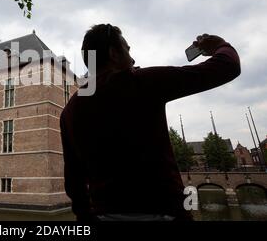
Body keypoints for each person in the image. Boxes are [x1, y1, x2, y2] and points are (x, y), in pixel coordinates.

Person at [60, 24, 241, 221]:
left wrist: (86, 217)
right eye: (128, 50)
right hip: (164, 212)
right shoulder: (141, 82)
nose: (133, 59)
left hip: (103, 214)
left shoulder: (70, 110)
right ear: (114, 53)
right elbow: (227, 66)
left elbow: (73, 179)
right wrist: (220, 45)